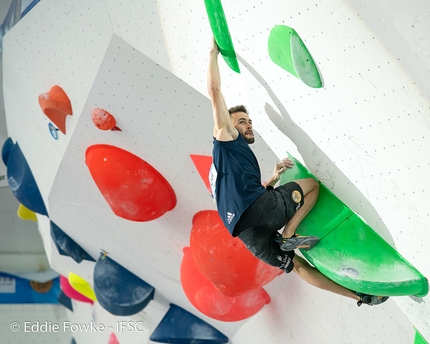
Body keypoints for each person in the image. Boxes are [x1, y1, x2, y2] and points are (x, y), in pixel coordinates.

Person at [207, 38, 388, 307]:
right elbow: (214, 90)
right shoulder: (226, 137)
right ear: (230, 126)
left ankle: (362, 297)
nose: (248, 125)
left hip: (248, 235)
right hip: (259, 211)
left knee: (298, 268)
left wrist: (273, 179)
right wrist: (213, 53)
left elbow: (243, 197)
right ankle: (289, 233)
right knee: (312, 186)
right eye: (242, 121)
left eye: (249, 121)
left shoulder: (225, 166)